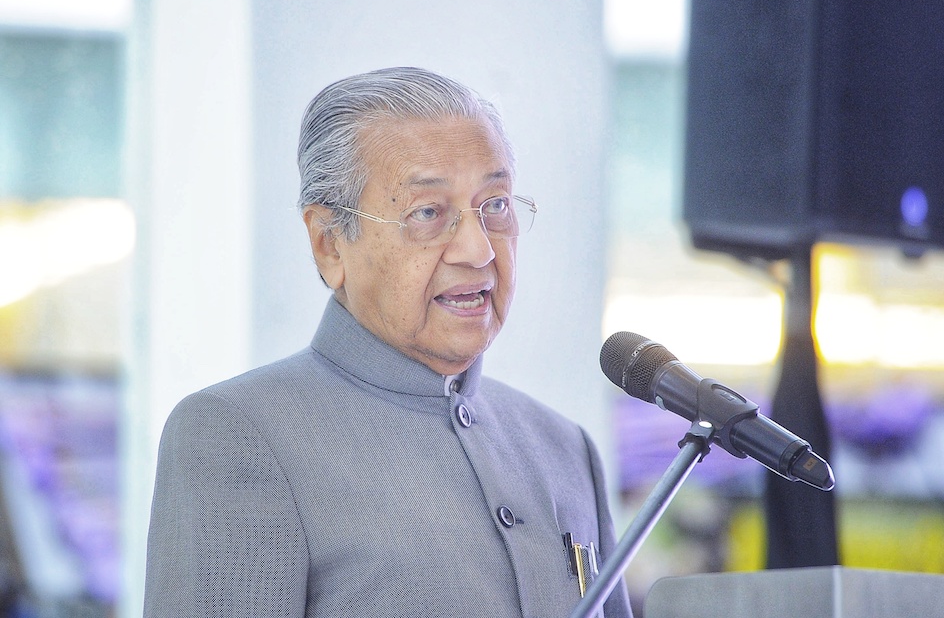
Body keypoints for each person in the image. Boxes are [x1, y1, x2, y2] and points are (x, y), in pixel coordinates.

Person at [143, 67, 632, 617]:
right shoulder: (240, 435)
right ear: (329, 243)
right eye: (428, 213)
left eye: (495, 205)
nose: (479, 250)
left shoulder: (564, 448)